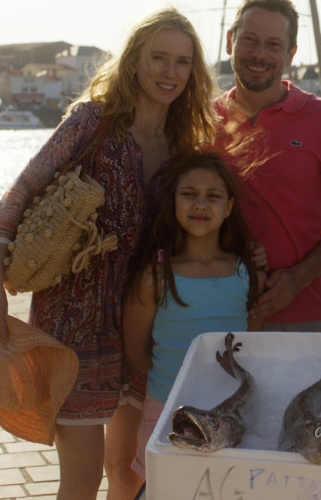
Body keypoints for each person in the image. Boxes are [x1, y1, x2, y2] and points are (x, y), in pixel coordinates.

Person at [0, 6, 216, 500]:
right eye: (159, 58)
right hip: (71, 324)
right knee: (82, 481)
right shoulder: (94, 122)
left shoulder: (183, 144)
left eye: (183, 62)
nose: (170, 72)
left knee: (128, 474)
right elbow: (20, 192)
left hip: (141, 327)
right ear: (133, 63)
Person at [211, 0, 321, 332]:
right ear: (229, 42)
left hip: (305, 316)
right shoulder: (204, 120)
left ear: (291, 54)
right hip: (217, 313)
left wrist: (297, 278)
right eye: (249, 40)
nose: (259, 54)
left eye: (274, 45)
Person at [122, 151, 266, 485]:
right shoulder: (155, 275)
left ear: (228, 207)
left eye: (213, 196)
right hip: (168, 412)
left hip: (233, 414)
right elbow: (137, 352)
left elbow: (250, 343)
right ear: (173, 201)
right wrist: (182, 384)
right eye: (189, 194)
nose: (200, 204)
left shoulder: (246, 272)